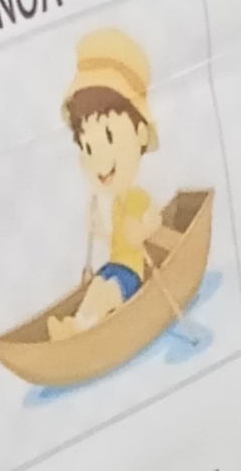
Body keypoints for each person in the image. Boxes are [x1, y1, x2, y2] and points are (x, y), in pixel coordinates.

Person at [48, 26, 161, 337]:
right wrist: (100, 231)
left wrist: (143, 230)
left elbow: (154, 220)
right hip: (113, 265)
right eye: (87, 147)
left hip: (132, 273)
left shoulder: (137, 197)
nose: (98, 161)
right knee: (97, 285)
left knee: (109, 290)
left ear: (140, 134)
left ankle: (83, 327)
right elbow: (114, 239)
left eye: (110, 137)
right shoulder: (115, 203)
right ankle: (76, 324)